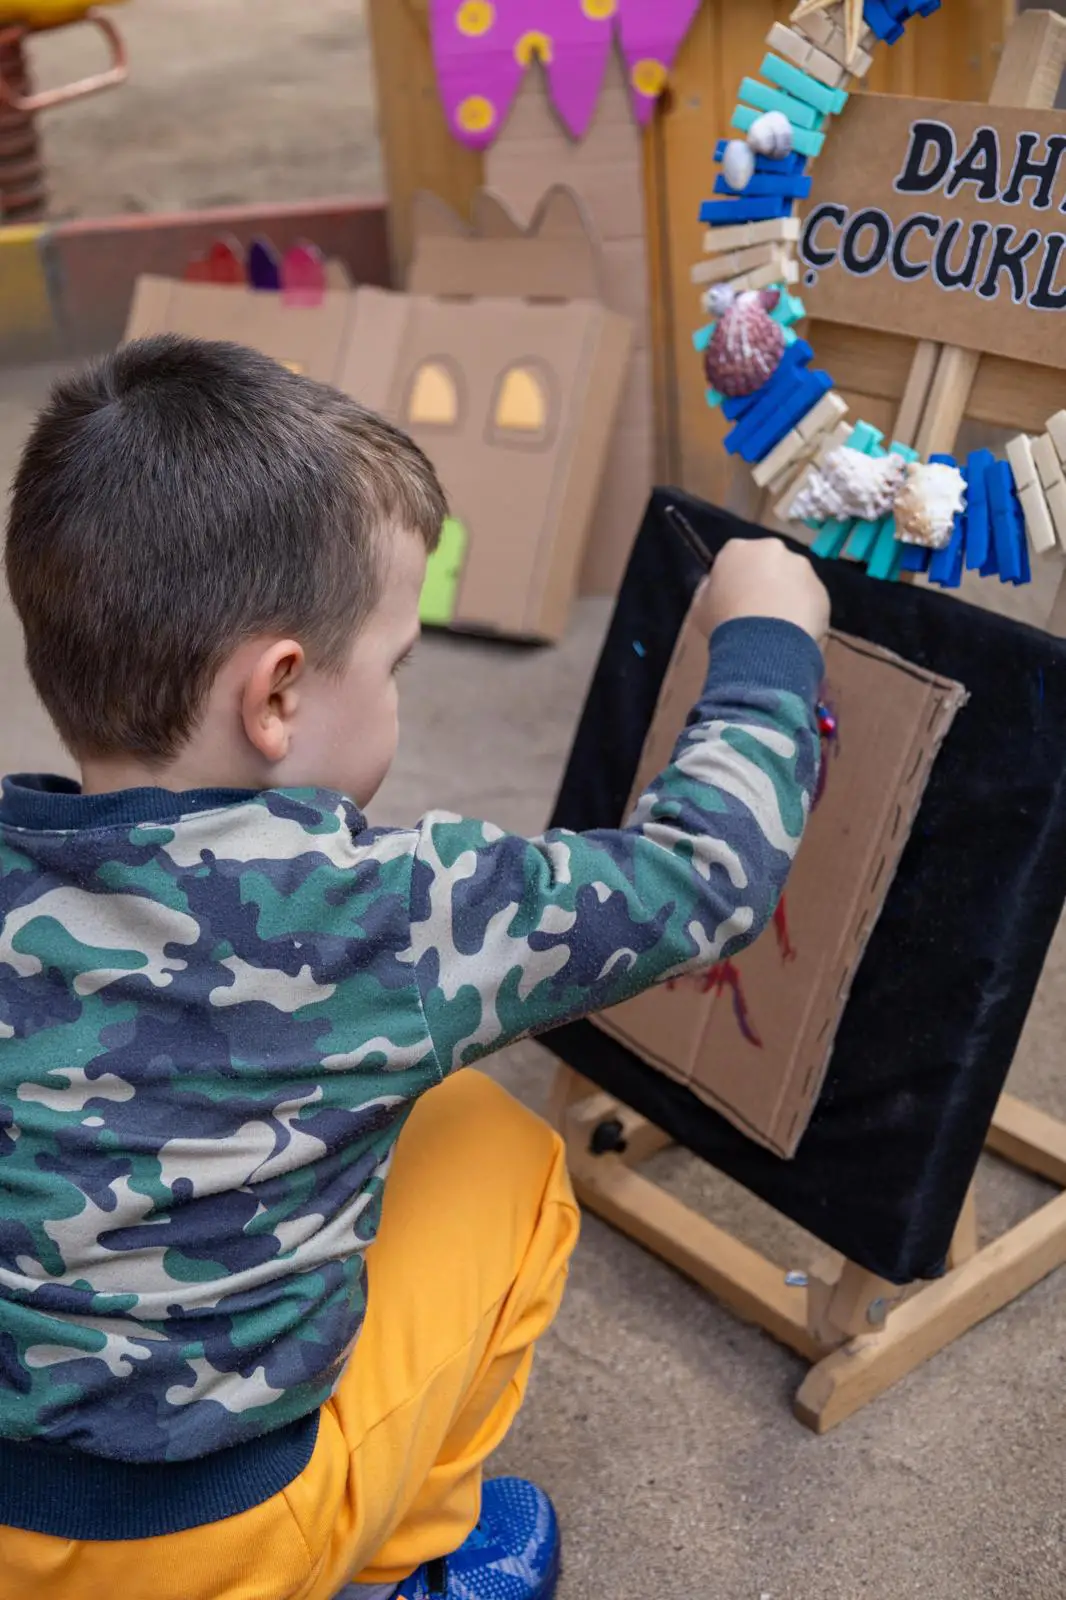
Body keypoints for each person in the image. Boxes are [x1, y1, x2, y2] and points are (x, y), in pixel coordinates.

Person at [0, 337, 830, 1600]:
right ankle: (403, 1569)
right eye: (394, 666)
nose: (399, 693)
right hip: (218, 1538)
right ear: (278, 696)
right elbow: (704, 878)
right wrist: (768, 643)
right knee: (506, 1155)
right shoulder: (388, 910)